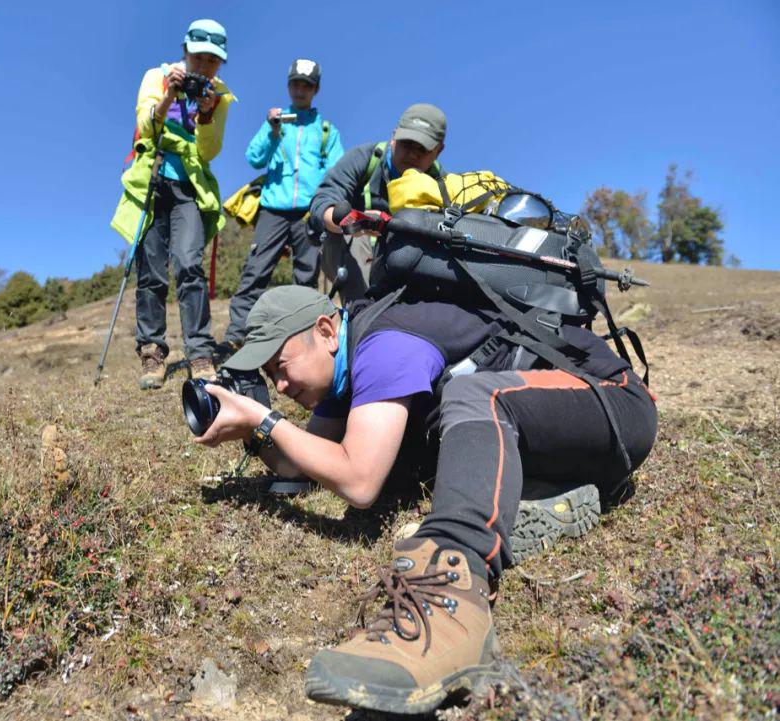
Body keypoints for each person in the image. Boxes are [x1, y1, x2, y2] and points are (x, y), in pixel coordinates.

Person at [194, 285, 657, 715]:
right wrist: (252, 431)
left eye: (281, 365)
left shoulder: (387, 343)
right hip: (553, 436)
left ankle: (453, 607)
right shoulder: (342, 371)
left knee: (476, 395)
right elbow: (303, 465)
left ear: (326, 332)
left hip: (613, 406)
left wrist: (266, 420)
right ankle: (540, 499)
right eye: (269, 376)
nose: (279, 387)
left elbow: (358, 482)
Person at [110, 19, 235, 390]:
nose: (206, 66)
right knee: (150, 271)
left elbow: (208, 151)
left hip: (188, 188)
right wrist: (170, 95)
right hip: (152, 178)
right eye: (200, 57)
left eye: (214, 61)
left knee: (188, 263)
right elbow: (146, 127)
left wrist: (208, 113)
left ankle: (199, 351)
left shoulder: (220, 95)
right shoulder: (158, 76)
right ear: (186, 51)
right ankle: (151, 351)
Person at [220, 59, 344, 353]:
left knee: (306, 278)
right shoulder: (274, 123)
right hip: (273, 209)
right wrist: (271, 130)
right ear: (288, 86)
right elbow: (253, 157)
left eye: (307, 85)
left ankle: (300, 337)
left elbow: (338, 169)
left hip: (307, 214)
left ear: (316, 89)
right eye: (295, 84)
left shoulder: (326, 130)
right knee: (256, 271)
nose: (300, 90)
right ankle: (237, 335)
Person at [309, 103, 447, 302]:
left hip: (403, 264)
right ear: (394, 137)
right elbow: (323, 200)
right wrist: (355, 222)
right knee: (352, 237)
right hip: (350, 258)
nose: (413, 154)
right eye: (407, 143)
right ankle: (356, 314)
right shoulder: (363, 159)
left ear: (438, 150)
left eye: (423, 149)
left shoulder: (442, 185)